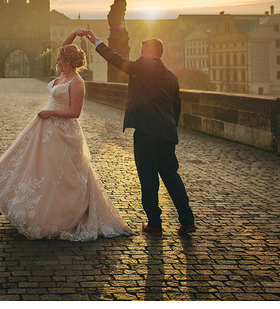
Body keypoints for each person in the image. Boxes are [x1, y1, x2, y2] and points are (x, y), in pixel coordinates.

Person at [0, 31, 132, 241]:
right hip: (45, 129)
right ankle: (34, 209)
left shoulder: (77, 83)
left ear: (68, 62)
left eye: (60, 60)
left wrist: (50, 112)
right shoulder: (63, 77)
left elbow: (75, 113)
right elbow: (64, 47)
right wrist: (75, 34)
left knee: (59, 174)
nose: (57, 62)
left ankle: (59, 216)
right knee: (39, 169)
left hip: (64, 133)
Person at [83, 30, 196, 236]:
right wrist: (170, 128)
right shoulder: (171, 76)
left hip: (146, 133)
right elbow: (176, 107)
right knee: (171, 175)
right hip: (167, 133)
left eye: (143, 51)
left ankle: (154, 223)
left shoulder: (142, 68)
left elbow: (115, 59)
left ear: (152, 53)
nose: (140, 55)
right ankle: (187, 219)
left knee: (148, 177)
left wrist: (96, 41)